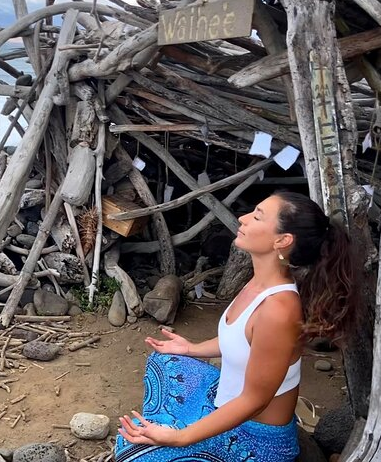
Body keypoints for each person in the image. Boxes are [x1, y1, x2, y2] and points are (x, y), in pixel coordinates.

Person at [116, 191, 359, 462]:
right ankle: (168, 427)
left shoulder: (278, 310)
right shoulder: (257, 283)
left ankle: (172, 430)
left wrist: (180, 437)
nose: (242, 219)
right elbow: (239, 340)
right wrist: (191, 348)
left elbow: (255, 401)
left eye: (257, 216)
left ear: (282, 241)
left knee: (135, 453)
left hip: (256, 438)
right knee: (166, 361)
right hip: (230, 403)